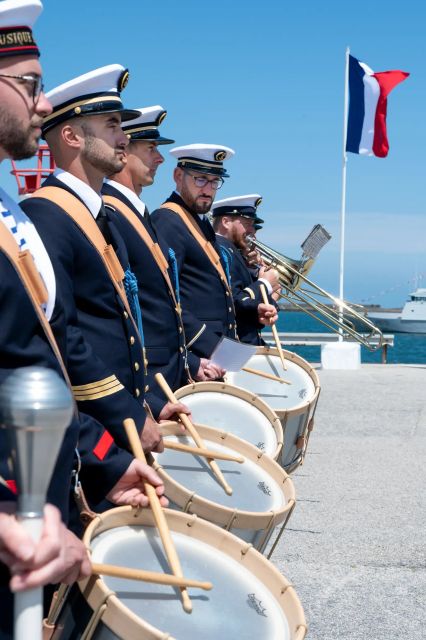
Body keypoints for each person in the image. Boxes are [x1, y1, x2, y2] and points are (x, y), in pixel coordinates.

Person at [20, 65, 180, 455]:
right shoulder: (47, 216)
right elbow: (63, 336)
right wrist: (127, 413)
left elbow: (117, 330)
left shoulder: (100, 215)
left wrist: (151, 404)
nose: (124, 139)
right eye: (112, 126)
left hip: (119, 418)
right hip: (92, 432)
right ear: (72, 136)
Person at [102, 107, 224, 403]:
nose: (158, 157)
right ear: (123, 151)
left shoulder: (135, 212)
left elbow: (166, 306)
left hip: (167, 375)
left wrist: (191, 362)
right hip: (147, 382)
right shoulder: (112, 213)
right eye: (151, 148)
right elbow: (127, 312)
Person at [150, 144, 238, 361]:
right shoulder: (168, 220)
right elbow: (164, 298)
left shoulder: (198, 221)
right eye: (200, 179)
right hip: (199, 353)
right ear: (178, 176)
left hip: (214, 352)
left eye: (214, 181)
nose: (208, 190)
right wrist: (208, 347)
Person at [212, 194, 279, 344]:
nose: (252, 230)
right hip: (235, 344)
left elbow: (250, 312)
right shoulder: (221, 249)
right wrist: (265, 284)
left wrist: (271, 294)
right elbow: (232, 300)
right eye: (247, 223)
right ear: (226, 222)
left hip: (244, 342)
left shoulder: (232, 251)